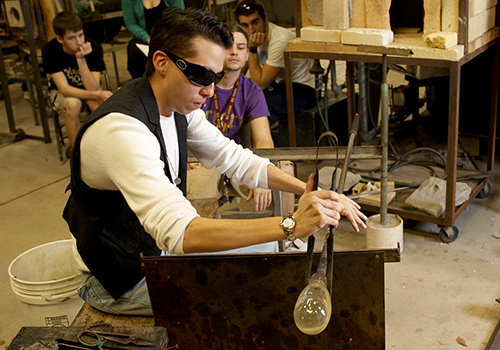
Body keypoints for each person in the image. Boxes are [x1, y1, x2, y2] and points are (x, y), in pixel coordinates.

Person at [63, 7, 367, 316]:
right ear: (162, 62)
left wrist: (306, 191)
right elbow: (182, 232)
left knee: (283, 258)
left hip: (152, 250)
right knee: (263, 293)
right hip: (119, 280)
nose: (209, 90)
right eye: (201, 76)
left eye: (216, 77)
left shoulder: (178, 106)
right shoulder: (123, 131)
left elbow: (235, 158)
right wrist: (290, 224)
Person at [201, 23, 295, 215]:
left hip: (234, 159)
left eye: (241, 48)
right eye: (229, 46)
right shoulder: (201, 83)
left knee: (284, 169)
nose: (235, 52)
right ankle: (198, 242)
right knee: (197, 187)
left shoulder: (251, 90)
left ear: (246, 55)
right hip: (201, 158)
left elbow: (263, 139)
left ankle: (289, 237)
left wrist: (261, 173)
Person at [235, 0, 316, 126]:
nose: (251, 30)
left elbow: (259, 84)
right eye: (245, 25)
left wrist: (252, 49)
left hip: (303, 88)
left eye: (255, 22)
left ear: (265, 19)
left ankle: (259, 142)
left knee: (259, 105)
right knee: (242, 98)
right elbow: (238, 73)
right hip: (280, 84)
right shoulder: (251, 38)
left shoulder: (279, 40)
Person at [42, 11, 112, 148]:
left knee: (96, 105)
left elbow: (92, 86)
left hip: (88, 88)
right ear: (60, 39)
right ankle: (76, 153)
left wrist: (80, 58)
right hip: (62, 92)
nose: (79, 41)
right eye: (72, 38)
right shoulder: (50, 51)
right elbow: (65, 89)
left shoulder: (94, 48)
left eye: (80, 35)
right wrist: (97, 94)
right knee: (73, 105)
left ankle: (105, 147)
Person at [122, 0, 184, 79]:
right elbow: (130, 23)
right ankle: (141, 85)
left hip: (168, 37)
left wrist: (164, 39)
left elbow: (180, 18)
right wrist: (147, 38)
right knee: (134, 53)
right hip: (144, 38)